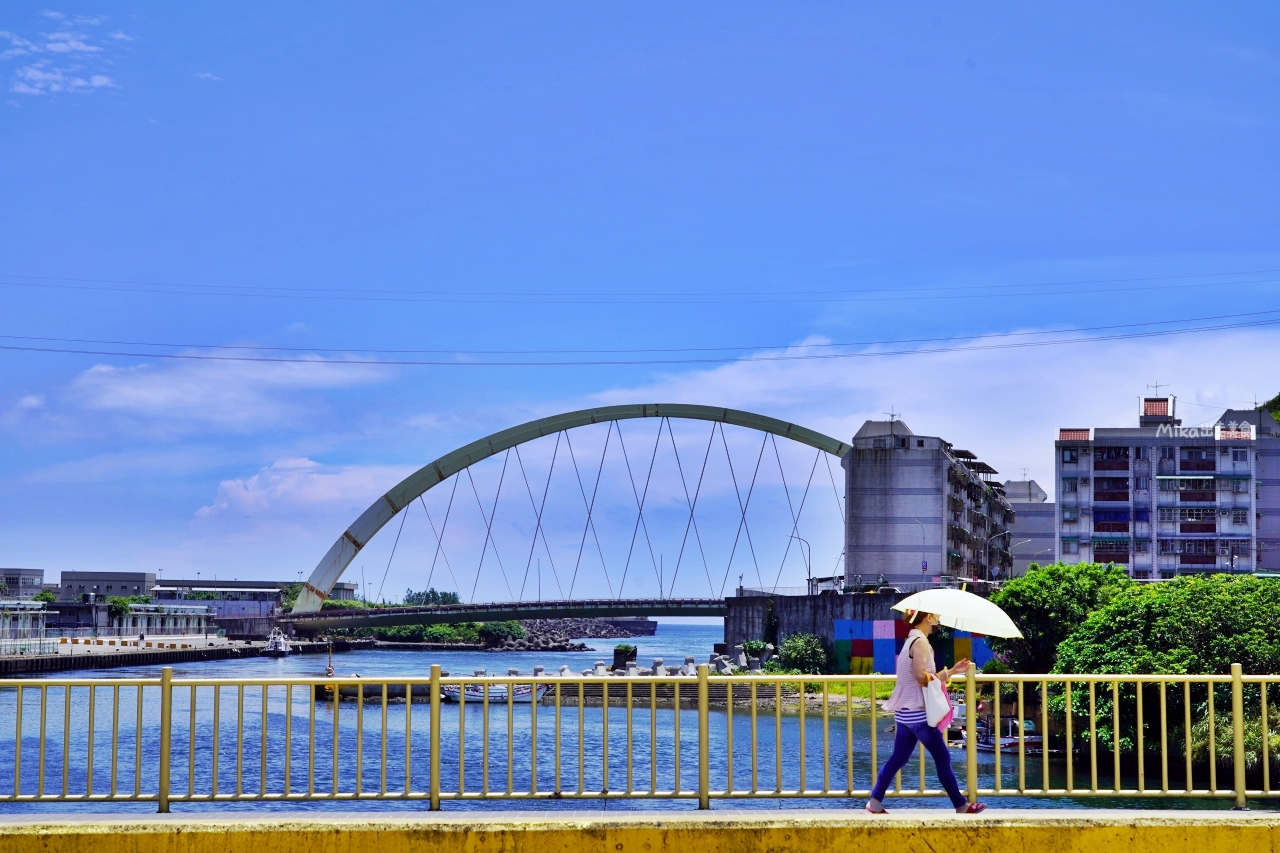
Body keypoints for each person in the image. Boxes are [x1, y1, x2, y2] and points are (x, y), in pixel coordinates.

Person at [866, 608, 986, 814]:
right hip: (919, 713)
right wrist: (943, 676)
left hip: (905, 712)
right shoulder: (921, 642)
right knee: (942, 758)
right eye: (935, 617)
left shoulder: (910, 641)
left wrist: (953, 671)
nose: (937, 620)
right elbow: (921, 677)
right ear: (928, 618)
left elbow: (922, 676)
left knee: (899, 758)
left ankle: (874, 803)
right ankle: (961, 805)